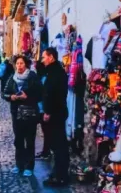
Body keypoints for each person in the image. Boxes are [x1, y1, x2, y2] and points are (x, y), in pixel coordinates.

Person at [3, 56, 42, 177]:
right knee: (18, 140)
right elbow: (4, 93)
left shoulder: (33, 77)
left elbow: (40, 94)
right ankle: (19, 164)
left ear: (26, 64)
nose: (19, 66)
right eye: (17, 63)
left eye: (21, 63)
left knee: (29, 140)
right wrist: (11, 97)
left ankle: (29, 166)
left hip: (30, 113)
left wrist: (28, 97)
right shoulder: (12, 78)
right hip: (16, 113)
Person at [42, 47, 70, 187]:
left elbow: (52, 95)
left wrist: (48, 112)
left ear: (51, 57)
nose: (42, 60)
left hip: (56, 114)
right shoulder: (56, 71)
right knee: (59, 144)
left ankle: (60, 176)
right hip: (59, 112)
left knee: (58, 145)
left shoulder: (55, 73)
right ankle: (59, 173)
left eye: (44, 57)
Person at [34, 61, 51, 160]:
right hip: (41, 108)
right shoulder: (43, 78)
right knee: (46, 131)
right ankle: (46, 150)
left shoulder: (43, 79)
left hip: (43, 109)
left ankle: (46, 151)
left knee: (46, 131)